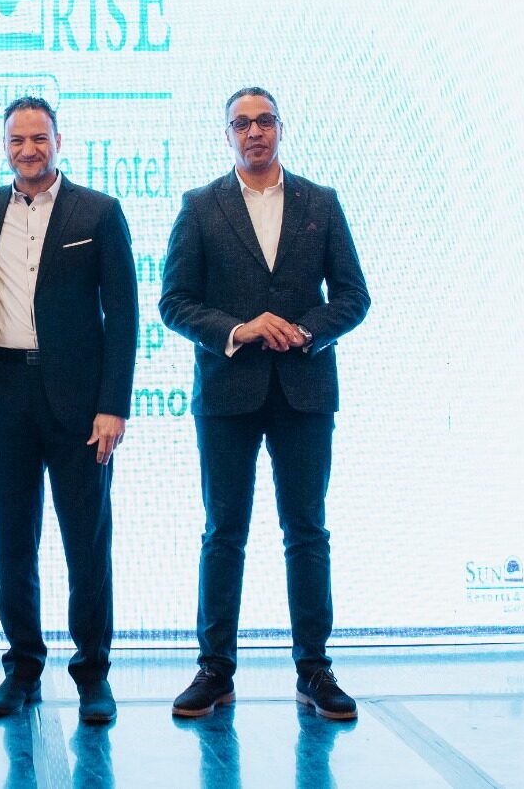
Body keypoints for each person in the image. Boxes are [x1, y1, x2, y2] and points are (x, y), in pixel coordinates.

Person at [159, 87, 370, 722]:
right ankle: (214, 670)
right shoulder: (201, 206)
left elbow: (353, 296)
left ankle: (315, 670)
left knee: (306, 531)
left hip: (305, 390)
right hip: (227, 391)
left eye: (264, 121)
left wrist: (305, 330)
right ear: (227, 135)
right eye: (242, 123)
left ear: (281, 128)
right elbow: (174, 302)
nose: (254, 132)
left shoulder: (320, 203)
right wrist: (238, 329)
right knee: (224, 531)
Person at [0, 95, 137, 725]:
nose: (28, 149)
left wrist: (113, 406)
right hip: (3, 390)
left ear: (58, 141)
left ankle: (92, 674)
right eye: (17, 140)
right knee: (13, 540)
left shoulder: (98, 211)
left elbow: (124, 318)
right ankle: (22, 667)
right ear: (4, 146)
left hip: (79, 402)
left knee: (87, 541)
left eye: (39, 138)